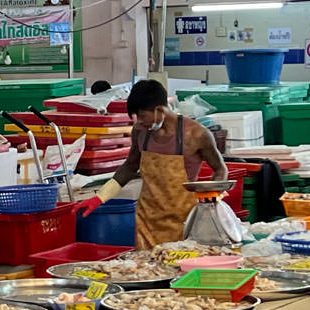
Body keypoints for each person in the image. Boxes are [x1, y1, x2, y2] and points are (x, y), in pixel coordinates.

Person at [77, 79, 227, 248]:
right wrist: (100, 197)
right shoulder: (141, 132)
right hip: (147, 222)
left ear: (159, 110)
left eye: (142, 116)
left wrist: (213, 199)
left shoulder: (196, 135)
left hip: (184, 223)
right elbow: (130, 166)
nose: (138, 122)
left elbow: (220, 169)